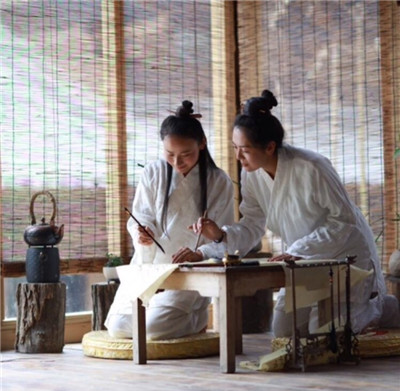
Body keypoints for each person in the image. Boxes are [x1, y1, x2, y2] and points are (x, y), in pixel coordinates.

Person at [191, 89, 400, 337]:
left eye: (244, 150)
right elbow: (253, 224)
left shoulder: (312, 166)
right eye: (234, 147)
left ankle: (382, 306)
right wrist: (219, 236)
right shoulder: (251, 175)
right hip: (299, 258)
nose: (238, 157)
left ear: (270, 147)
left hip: (343, 254)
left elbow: (344, 222)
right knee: (284, 332)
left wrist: (299, 250)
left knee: (330, 333)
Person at [105, 100, 235, 340]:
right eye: (170, 154)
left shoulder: (219, 181)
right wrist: (143, 232)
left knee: (152, 329)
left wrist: (200, 253)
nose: (177, 162)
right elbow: (141, 215)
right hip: (151, 265)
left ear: (202, 144)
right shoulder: (152, 172)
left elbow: (224, 236)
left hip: (190, 271)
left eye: (186, 154)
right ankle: (169, 314)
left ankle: (196, 316)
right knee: (117, 326)